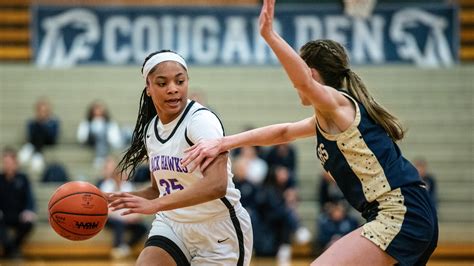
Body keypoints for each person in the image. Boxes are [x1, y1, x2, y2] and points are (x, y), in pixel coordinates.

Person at [181, 1, 438, 265]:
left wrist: (269, 35)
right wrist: (223, 142)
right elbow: (282, 132)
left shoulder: (339, 104)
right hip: (407, 211)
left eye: (301, 75)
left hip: (400, 211)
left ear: (311, 73)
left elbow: (301, 80)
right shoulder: (330, 117)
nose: (296, 87)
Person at [108, 50, 253, 266]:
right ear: (148, 88)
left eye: (180, 81)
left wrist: (156, 205)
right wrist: (113, 200)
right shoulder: (151, 130)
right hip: (173, 223)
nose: (173, 88)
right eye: (162, 83)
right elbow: (159, 190)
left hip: (218, 230)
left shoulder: (200, 121)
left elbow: (217, 185)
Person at [97, 157, 147, 259]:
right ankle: (116, 248)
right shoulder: (106, 185)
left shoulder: (128, 186)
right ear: (116, 175)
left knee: (142, 227)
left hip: (126, 218)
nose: (123, 176)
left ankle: (125, 248)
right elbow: (105, 210)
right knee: (118, 224)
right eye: (121, 174)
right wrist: (123, 218)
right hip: (110, 219)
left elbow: (134, 205)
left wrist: (134, 216)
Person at [0, 147, 36, 258]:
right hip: (2, 216)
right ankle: (13, 250)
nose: (8, 165)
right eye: (5, 162)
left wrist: (29, 211)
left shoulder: (23, 178)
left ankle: (10, 250)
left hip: (19, 215)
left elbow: (30, 198)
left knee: (29, 223)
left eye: (10, 162)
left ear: (16, 163)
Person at [76, 100, 123, 168]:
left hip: (105, 143)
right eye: (96, 109)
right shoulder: (86, 123)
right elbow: (82, 137)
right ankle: (100, 157)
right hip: (91, 142)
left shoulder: (109, 123)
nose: (98, 112)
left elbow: (114, 139)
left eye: (100, 109)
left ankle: (101, 156)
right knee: (99, 135)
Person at [18, 97, 60, 173]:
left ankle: (32, 150)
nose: (42, 113)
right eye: (41, 111)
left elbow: (53, 136)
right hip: (36, 141)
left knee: (40, 131)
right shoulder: (32, 123)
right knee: (38, 132)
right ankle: (37, 154)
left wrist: (44, 124)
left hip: (49, 141)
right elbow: (30, 135)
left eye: (44, 111)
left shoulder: (54, 122)